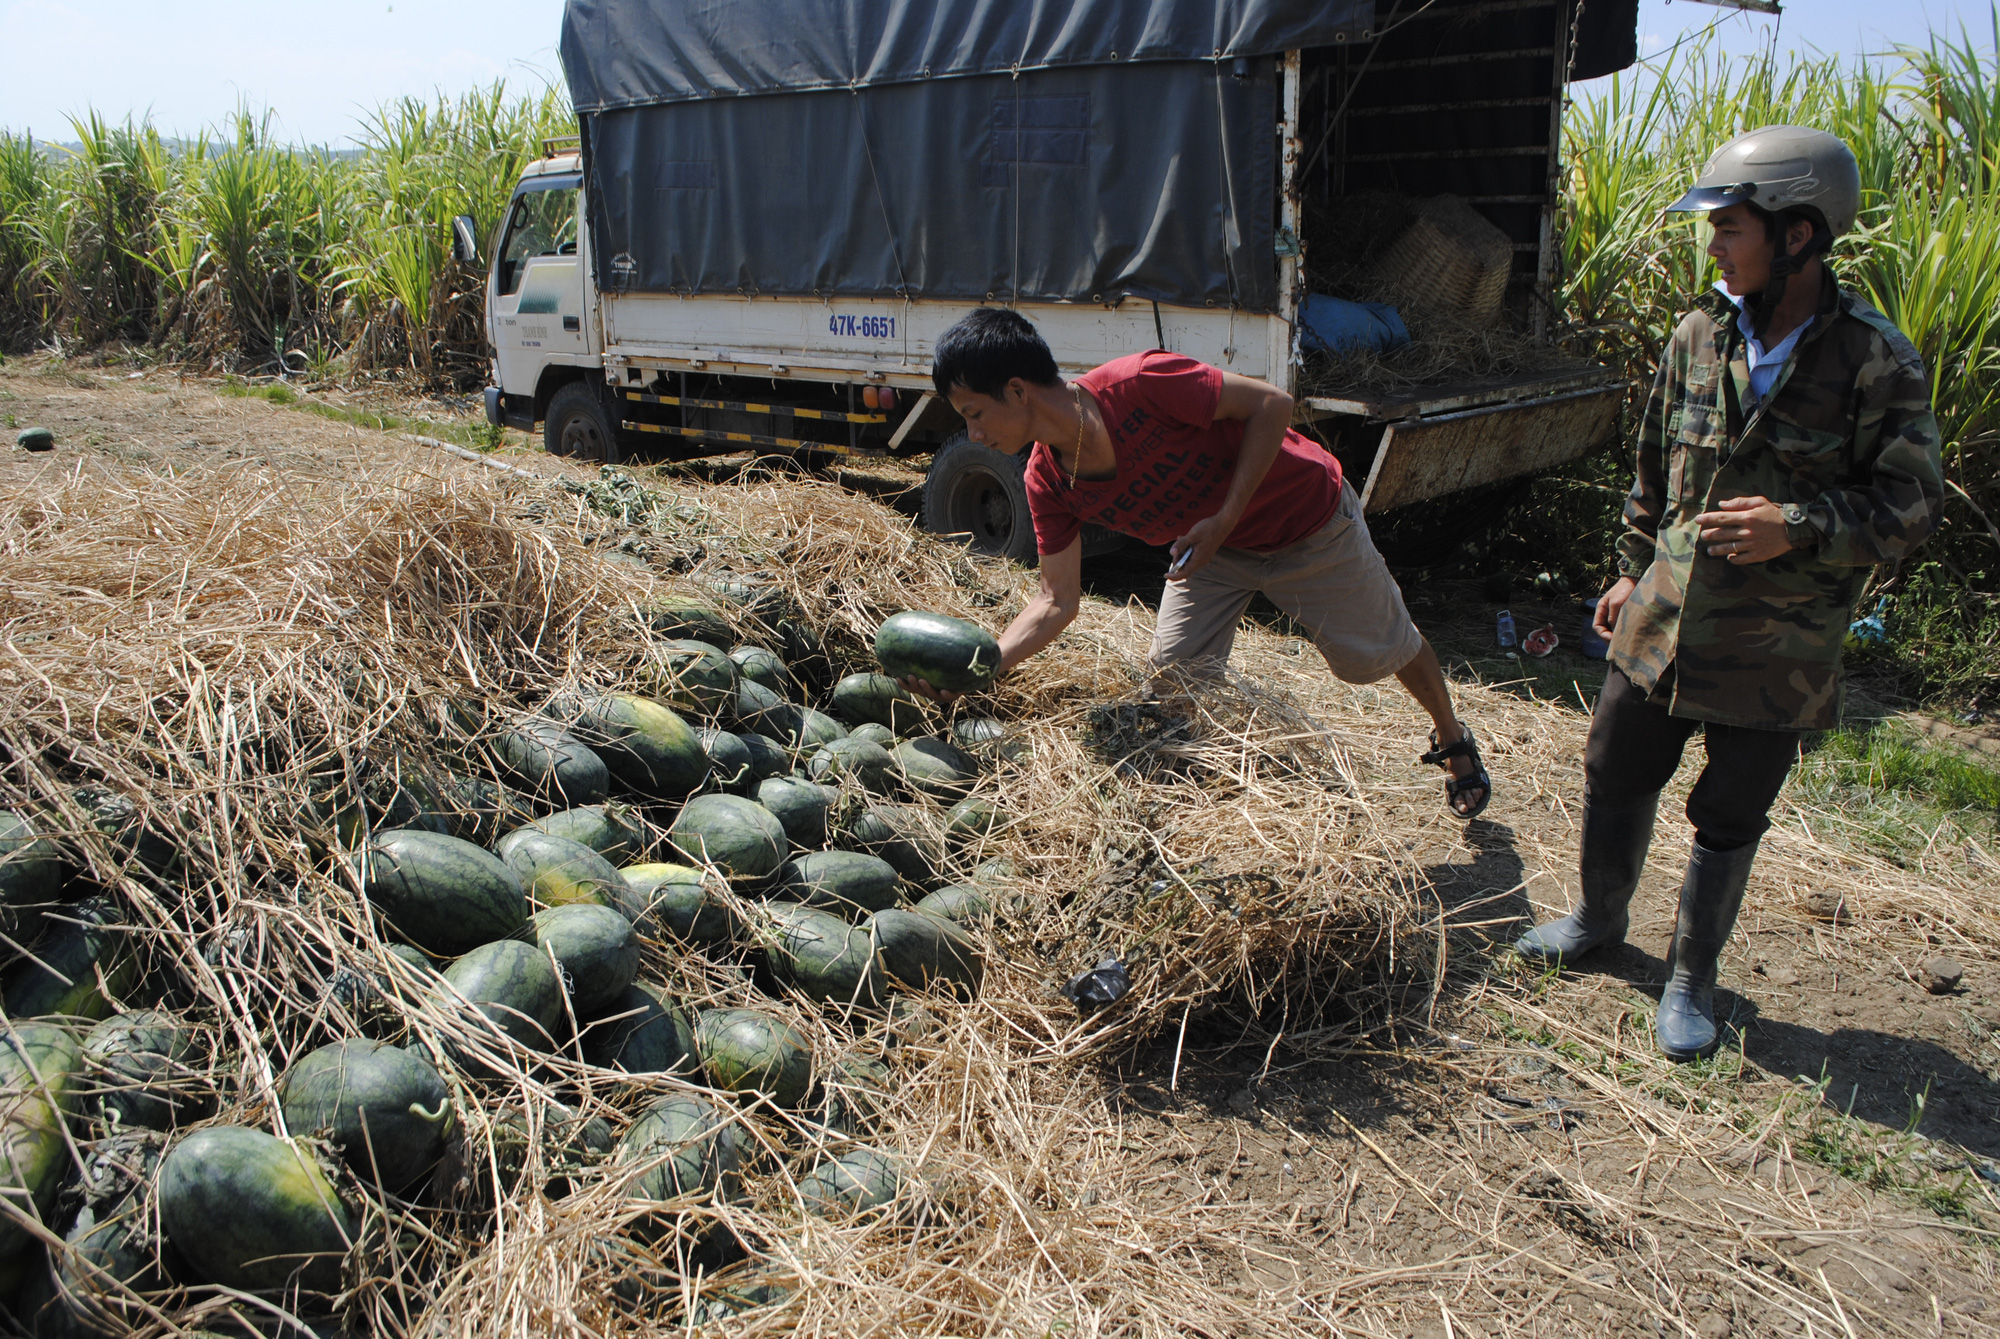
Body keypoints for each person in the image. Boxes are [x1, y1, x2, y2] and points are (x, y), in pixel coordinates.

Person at [1514, 126, 1944, 1061]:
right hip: (1663, 620)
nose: (1713, 245)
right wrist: (1630, 566)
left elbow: (1912, 504)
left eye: (1730, 228)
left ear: (1796, 235)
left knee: (1730, 810)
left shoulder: (1874, 360)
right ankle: (1595, 919)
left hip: (1779, 646)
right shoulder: (1697, 335)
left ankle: (1690, 976)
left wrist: (1801, 524)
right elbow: (1651, 468)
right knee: (1614, 766)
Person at [910, 307, 1492, 818]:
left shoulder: (1141, 384)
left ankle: (1450, 732)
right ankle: (1198, 801)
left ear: (1017, 390)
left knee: (1382, 651)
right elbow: (1056, 599)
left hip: (1305, 520)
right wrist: (980, 667)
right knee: (1174, 682)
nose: (973, 433)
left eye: (974, 413)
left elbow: (1273, 404)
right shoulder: (1046, 480)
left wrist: (1224, 519)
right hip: (1210, 555)